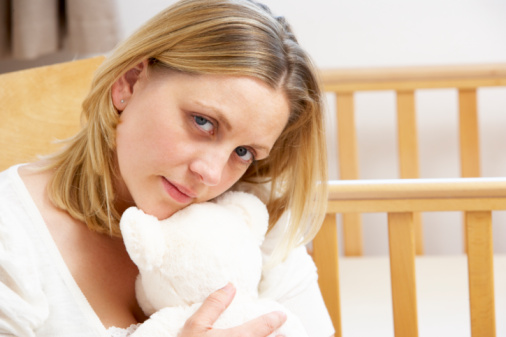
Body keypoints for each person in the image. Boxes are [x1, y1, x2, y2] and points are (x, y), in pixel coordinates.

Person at [0, 0, 333, 336]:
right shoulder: (12, 233)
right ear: (129, 84)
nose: (213, 174)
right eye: (203, 122)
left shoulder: (250, 212)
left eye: (243, 152)